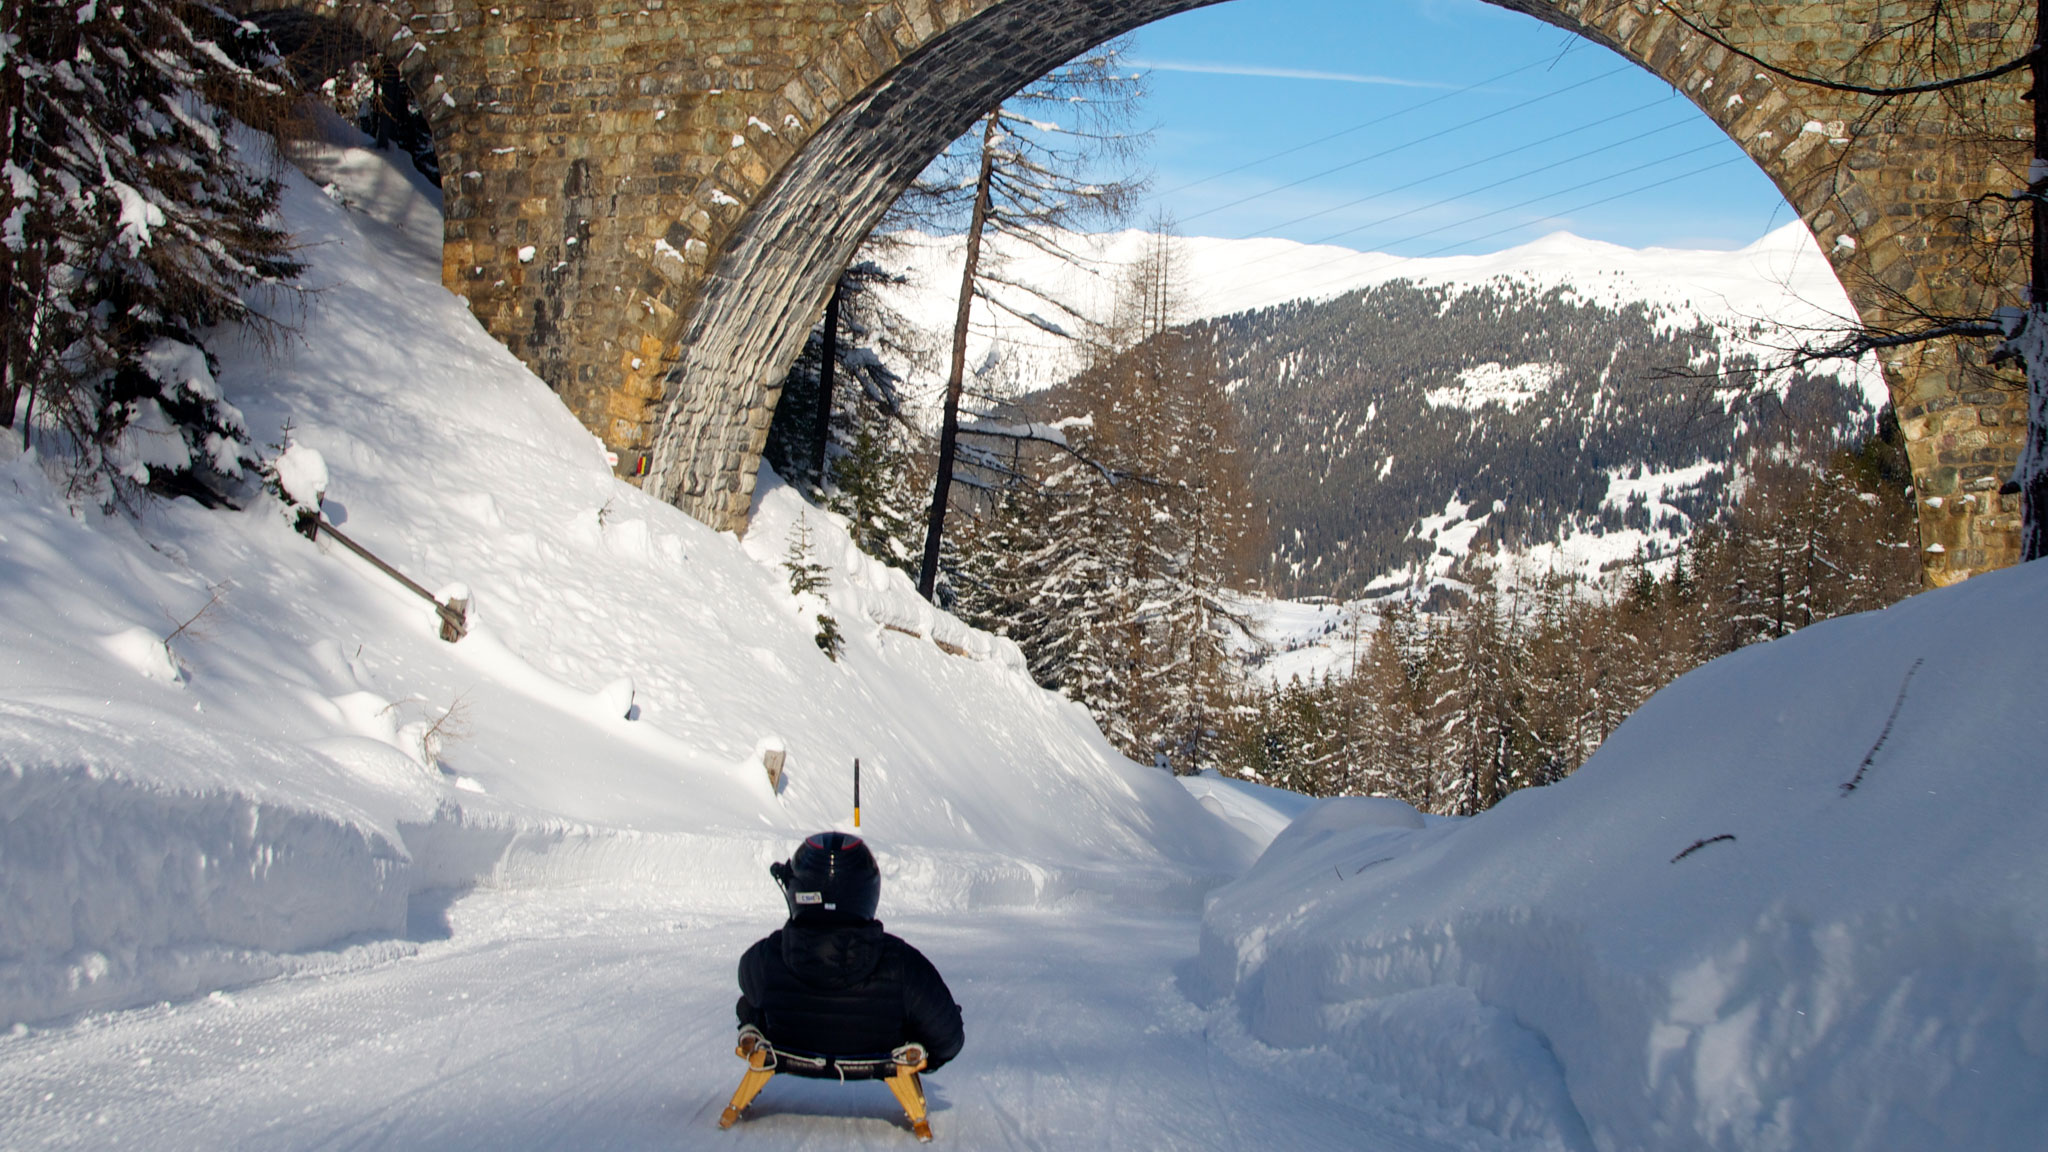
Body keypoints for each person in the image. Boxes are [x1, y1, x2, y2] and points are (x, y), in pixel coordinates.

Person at [735, 831, 964, 1071]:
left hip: (786, 1044)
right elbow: (948, 1040)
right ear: (868, 891)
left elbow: (746, 990)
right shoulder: (904, 964)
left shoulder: (763, 958)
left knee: (750, 1004)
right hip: (881, 1051)